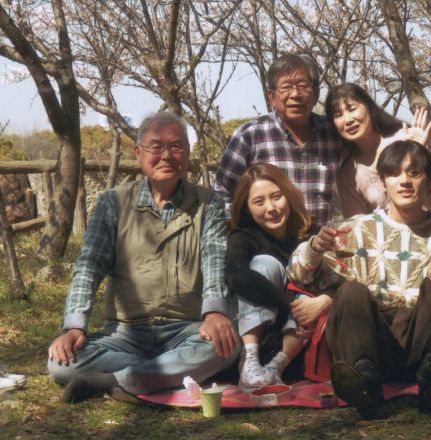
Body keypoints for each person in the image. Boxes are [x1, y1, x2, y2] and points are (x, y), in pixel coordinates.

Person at [47, 112, 239, 403]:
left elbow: (214, 259)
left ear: (187, 154)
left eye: (176, 147)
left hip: (186, 329)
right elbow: (88, 268)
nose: (166, 156)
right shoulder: (113, 202)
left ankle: (115, 380)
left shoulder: (207, 203)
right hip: (125, 333)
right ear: (139, 154)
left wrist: (214, 312)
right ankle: (161, 373)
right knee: (60, 363)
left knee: (225, 347)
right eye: (156, 147)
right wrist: (74, 326)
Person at [288, 140, 431, 418]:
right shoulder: (356, 229)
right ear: (383, 182)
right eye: (394, 174)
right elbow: (298, 273)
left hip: (423, 339)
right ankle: (363, 383)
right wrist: (314, 247)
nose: (404, 181)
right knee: (350, 291)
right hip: (373, 342)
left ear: (430, 180)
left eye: (414, 173)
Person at [227, 163, 331, 386]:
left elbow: (338, 278)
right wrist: (291, 303)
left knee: (308, 296)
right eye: (259, 202)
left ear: (289, 195)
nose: (271, 208)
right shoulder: (243, 237)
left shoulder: (312, 235)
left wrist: (323, 301)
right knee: (265, 263)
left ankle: (275, 368)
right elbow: (237, 275)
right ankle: (249, 361)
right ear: (246, 207)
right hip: (259, 332)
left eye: (276, 197)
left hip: (299, 340)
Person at [215, 53, 343, 227]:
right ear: (271, 97)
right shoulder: (250, 135)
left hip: (321, 240)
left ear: (316, 94)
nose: (295, 94)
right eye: (286, 87)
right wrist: (239, 233)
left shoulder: (333, 134)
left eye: (303, 85)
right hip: (266, 241)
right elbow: (223, 191)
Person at [324, 83, 431, 217]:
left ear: (369, 107)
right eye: (338, 115)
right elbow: (357, 221)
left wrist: (419, 153)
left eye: (352, 109)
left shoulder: (406, 138)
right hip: (385, 231)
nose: (348, 120)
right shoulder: (347, 172)